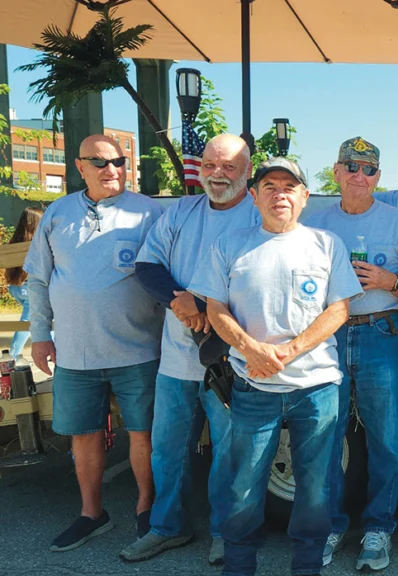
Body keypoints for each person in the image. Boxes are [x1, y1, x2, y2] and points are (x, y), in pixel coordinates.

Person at [189, 158, 363, 576]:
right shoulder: (230, 245)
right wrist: (251, 349)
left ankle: (307, 567)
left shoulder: (326, 244)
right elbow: (215, 309)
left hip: (317, 388)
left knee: (316, 489)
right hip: (252, 388)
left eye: (289, 186)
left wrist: (291, 350)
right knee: (244, 487)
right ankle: (238, 567)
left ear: (304, 197)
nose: (279, 193)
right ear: (254, 195)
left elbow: (339, 309)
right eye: (269, 186)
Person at [119, 134, 260, 565]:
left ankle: (226, 532)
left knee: (230, 451)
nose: (218, 174)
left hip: (231, 360)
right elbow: (146, 264)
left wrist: (207, 309)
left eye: (230, 166)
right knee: (168, 448)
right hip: (178, 358)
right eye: (211, 165)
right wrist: (181, 300)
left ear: (247, 171)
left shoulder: (260, 217)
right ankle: (167, 527)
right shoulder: (180, 211)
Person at [24, 134, 164, 552]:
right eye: (100, 162)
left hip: (139, 350)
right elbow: (37, 279)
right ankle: (91, 514)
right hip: (75, 353)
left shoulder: (149, 213)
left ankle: (146, 510)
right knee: (82, 434)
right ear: (79, 166)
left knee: (143, 434)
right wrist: (39, 337)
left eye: (119, 161)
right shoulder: (58, 213)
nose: (111, 170)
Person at [304, 137, 398, 571]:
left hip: (382, 331)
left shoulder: (397, 222)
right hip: (328, 336)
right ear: (335, 171)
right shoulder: (314, 225)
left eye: (369, 169)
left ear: (379, 177)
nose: (360, 175)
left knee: (386, 440)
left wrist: (389, 281)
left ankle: (378, 529)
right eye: (351, 166)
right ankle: (330, 525)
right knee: (324, 438)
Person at [3, 206, 44, 362]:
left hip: (15, 287)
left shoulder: (14, 243)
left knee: (45, 320)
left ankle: (54, 349)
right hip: (31, 289)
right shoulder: (37, 244)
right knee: (28, 323)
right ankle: (11, 356)